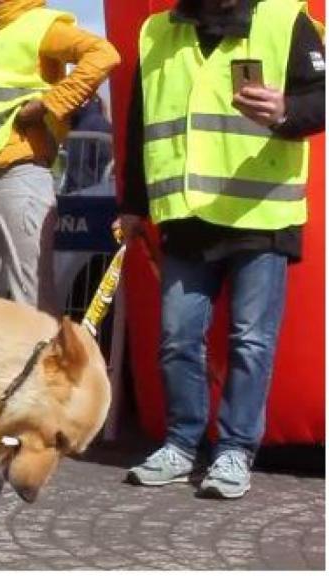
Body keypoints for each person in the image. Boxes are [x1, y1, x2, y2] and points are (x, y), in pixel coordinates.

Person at [119, 0, 324, 499]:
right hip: (186, 213)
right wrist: (133, 205)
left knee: (251, 341)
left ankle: (234, 451)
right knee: (176, 338)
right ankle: (181, 443)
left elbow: (321, 98)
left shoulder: (285, 19)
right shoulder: (156, 33)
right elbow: (140, 123)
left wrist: (286, 111)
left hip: (263, 214)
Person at [0, 0, 119, 315]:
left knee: (32, 300)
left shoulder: (41, 24)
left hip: (20, 174)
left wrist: (49, 104)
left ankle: (42, 364)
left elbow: (103, 54)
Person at [62, 95, 113, 194]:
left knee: (79, 171)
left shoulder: (83, 123)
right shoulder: (98, 100)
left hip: (81, 192)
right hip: (102, 129)